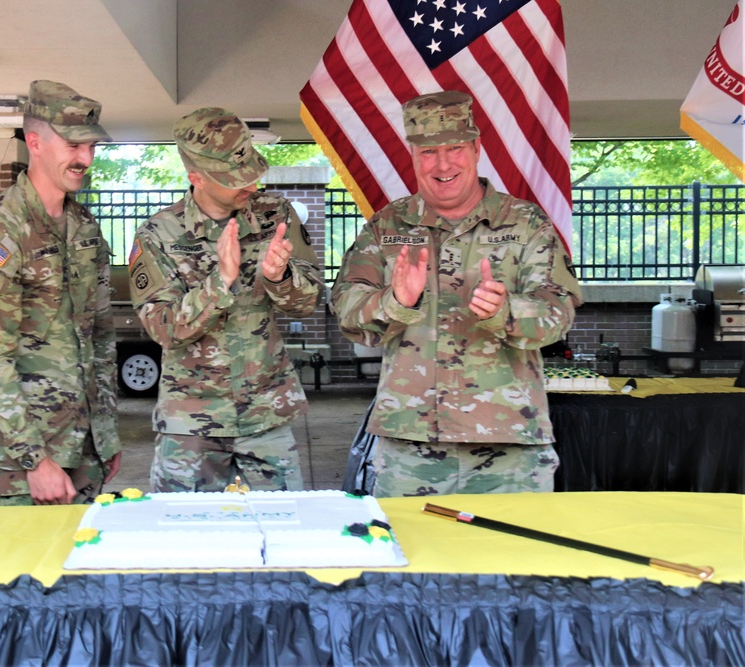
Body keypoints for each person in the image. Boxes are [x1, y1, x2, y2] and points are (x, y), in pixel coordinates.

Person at [332, 90, 583, 497]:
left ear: (477, 148)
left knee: (510, 559)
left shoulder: (525, 223)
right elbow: (347, 312)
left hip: (508, 441)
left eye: (455, 148)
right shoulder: (388, 226)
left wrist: (506, 311)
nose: (443, 164)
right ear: (413, 156)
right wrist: (396, 302)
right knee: (411, 558)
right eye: (428, 152)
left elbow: (558, 313)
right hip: (409, 443)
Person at [129, 107, 323, 492]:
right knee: (188, 540)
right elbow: (163, 328)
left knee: (282, 535)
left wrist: (280, 277)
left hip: (266, 414)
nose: (251, 184)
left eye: (251, 170)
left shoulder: (276, 216)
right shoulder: (158, 234)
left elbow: (309, 302)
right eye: (236, 178)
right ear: (196, 177)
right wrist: (220, 282)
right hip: (191, 423)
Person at [0, 80, 121, 505]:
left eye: (91, 147)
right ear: (35, 142)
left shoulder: (84, 226)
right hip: (25, 457)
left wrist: (104, 433)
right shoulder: (1, 230)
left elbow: (99, 335)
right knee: (27, 568)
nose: (85, 158)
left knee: (81, 562)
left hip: (85, 445)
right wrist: (35, 461)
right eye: (73, 145)